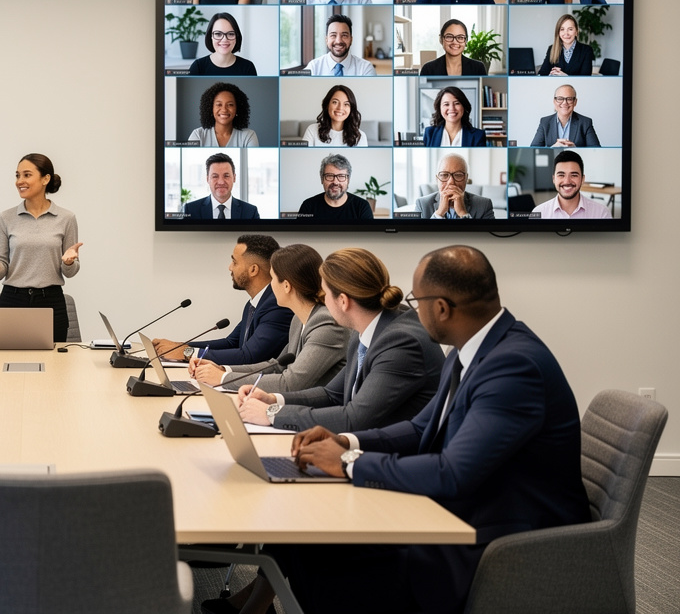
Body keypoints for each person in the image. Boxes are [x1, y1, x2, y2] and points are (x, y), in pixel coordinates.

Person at [212, 246, 590, 614]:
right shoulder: (471, 347)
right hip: (464, 508)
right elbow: (421, 426)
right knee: (309, 543)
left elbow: (452, 472)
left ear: (441, 308)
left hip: (501, 536)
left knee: (324, 559)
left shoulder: (513, 367)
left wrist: (348, 462)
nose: (409, 307)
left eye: (417, 299)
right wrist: (346, 441)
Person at [232, 247, 443, 433]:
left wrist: (272, 414)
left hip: (398, 458)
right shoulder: (366, 329)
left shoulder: (400, 342)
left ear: (343, 301)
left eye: (325, 293)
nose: (321, 300)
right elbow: (332, 394)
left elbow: (353, 419)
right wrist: (273, 400)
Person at [189, 244, 347, 392]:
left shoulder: (326, 324)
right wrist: (223, 369)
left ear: (286, 285)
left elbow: (290, 383)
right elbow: (277, 366)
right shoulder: (298, 320)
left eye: (272, 279)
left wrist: (223, 378)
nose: (270, 286)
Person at [0, 153, 82, 344]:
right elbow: (0, 272)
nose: (20, 181)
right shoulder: (6, 218)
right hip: (12, 299)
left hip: (51, 301)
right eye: (17, 175)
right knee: (4, 363)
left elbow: (70, 272)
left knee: (54, 365)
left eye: (27, 175)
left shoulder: (66, 218)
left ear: (45, 179)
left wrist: (69, 262)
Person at [152, 234, 292, 365]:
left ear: (253, 270)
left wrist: (186, 353)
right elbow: (231, 343)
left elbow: (249, 356)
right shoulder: (256, 303)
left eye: (234, 262)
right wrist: (180, 347)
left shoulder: (277, 306)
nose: (230, 267)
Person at [531, 150, 613, 219]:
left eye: (574, 175)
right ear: (554, 179)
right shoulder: (539, 213)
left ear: (582, 179)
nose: (567, 181)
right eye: (561, 175)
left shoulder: (602, 213)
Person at [415, 152, 496, 219]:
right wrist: (439, 213)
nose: (451, 182)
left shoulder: (484, 205)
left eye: (458, 175)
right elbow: (419, 237)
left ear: (466, 179)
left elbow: (486, 238)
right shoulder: (422, 204)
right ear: (437, 179)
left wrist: (463, 213)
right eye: (444, 175)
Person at [297, 153, 375, 220]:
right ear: (322, 179)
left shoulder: (362, 207)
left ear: (348, 180)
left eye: (341, 176)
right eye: (330, 176)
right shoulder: (308, 206)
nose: (335, 182)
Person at [182, 152, 259, 219]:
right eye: (215, 176)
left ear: (234, 178)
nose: (221, 182)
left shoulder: (251, 212)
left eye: (226, 176)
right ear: (207, 179)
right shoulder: (191, 210)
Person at [187, 81, 259, 147]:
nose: (224, 110)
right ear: (210, 108)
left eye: (230, 105)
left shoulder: (248, 136)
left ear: (237, 109)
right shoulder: (198, 135)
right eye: (219, 104)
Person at [188, 13, 258, 76]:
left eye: (230, 34)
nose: (224, 39)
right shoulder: (198, 67)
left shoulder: (248, 67)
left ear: (237, 37)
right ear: (211, 36)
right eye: (218, 34)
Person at [530, 84, 600, 147]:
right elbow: (533, 150)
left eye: (569, 99)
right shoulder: (545, 122)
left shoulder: (585, 122)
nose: (564, 103)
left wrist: (575, 149)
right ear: (554, 101)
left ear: (575, 102)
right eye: (560, 99)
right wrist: (553, 149)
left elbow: (596, 151)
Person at [305, 14, 375, 76]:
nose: (338, 41)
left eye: (344, 35)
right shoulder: (313, 67)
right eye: (333, 35)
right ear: (326, 40)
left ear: (351, 39)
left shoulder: (365, 69)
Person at [303, 84, 367, 147]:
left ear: (351, 108)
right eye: (335, 102)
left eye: (346, 104)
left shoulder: (360, 137)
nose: (340, 108)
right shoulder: (312, 130)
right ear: (327, 105)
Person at [422, 86, 487, 147]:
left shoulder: (478, 135)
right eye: (446, 104)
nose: (452, 108)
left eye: (457, 103)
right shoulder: (429, 133)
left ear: (463, 107)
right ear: (440, 108)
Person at [419, 19, 488, 76]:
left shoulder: (478, 67)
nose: (455, 42)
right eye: (449, 36)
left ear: (465, 41)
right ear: (441, 39)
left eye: (460, 37)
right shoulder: (428, 69)